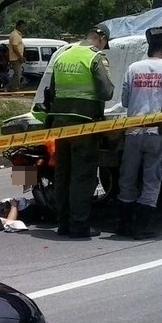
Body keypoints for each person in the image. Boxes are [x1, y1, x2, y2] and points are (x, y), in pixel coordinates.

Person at [116, 26, 162, 240]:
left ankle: (123, 225)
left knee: (127, 178)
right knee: (152, 178)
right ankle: (142, 227)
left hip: (132, 132)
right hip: (156, 134)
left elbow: (124, 101)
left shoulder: (133, 67)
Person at [43, 24, 115, 238]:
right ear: (100, 39)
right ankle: (79, 226)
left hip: (60, 124)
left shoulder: (63, 55)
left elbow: (53, 90)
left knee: (63, 174)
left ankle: (63, 223)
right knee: (82, 176)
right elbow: (107, 92)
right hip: (84, 123)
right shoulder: (95, 57)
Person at [8, 20, 26, 91]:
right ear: (18, 26)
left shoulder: (17, 34)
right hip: (16, 58)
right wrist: (20, 57)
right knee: (17, 74)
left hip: (16, 57)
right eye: (22, 27)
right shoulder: (15, 35)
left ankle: (12, 87)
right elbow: (15, 48)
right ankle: (14, 88)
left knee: (17, 74)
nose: (23, 28)